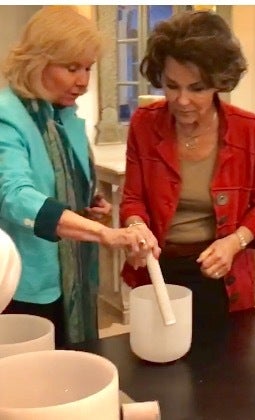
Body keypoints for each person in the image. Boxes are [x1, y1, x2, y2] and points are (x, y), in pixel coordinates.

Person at [0, 6, 159, 347]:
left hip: (72, 273)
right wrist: (103, 233)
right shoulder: (6, 116)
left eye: (88, 68)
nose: (84, 81)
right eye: (71, 68)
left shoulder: (60, 113)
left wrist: (87, 204)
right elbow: (15, 196)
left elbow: (63, 181)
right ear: (36, 61)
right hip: (27, 282)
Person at [120, 10, 255, 342]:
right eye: (171, 85)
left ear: (220, 82)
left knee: (226, 375)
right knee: (162, 367)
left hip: (225, 271)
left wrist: (235, 242)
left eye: (197, 88)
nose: (182, 100)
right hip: (160, 269)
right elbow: (133, 199)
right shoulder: (145, 123)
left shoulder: (250, 130)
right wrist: (136, 228)